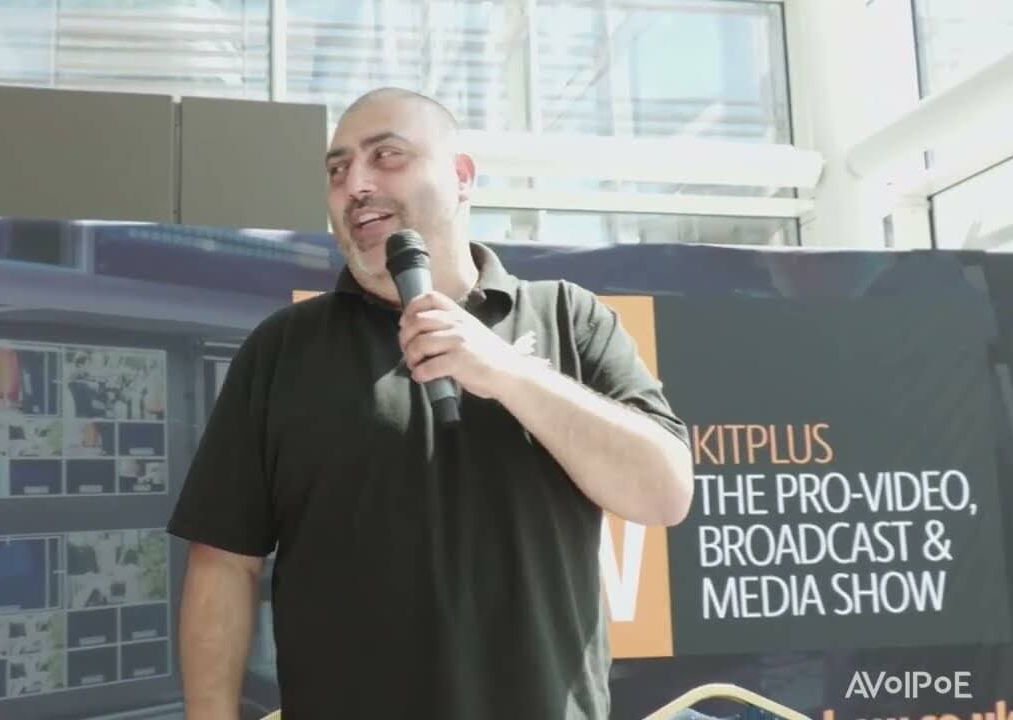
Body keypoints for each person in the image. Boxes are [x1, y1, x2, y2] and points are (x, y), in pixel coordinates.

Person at [167, 87, 694, 720]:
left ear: (462, 176)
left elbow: (664, 494)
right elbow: (224, 563)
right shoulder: (284, 348)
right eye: (337, 170)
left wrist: (507, 371)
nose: (356, 184)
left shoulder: (568, 317)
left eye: (386, 155)